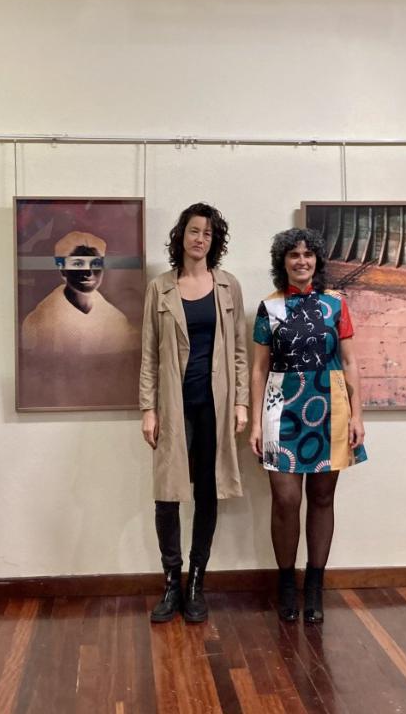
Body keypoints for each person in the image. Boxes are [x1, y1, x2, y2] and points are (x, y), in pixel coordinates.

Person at [139, 204, 249, 624]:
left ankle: (197, 581)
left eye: (207, 232)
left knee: (207, 490)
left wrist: (240, 402)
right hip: (172, 404)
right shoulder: (160, 289)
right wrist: (149, 409)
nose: (199, 238)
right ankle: (171, 581)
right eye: (192, 231)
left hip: (214, 406)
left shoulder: (227, 287)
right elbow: (149, 354)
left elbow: (239, 350)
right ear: (181, 236)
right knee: (167, 494)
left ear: (213, 240)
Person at [249, 228, 366, 624]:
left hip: (330, 405)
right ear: (282, 262)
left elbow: (350, 362)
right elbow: (258, 368)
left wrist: (358, 415)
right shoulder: (270, 308)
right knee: (285, 500)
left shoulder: (336, 304)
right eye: (293, 255)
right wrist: (253, 423)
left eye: (308, 254)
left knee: (321, 498)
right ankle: (286, 581)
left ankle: (314, 584)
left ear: (317, 260)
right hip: (281, 406)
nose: (302, 261)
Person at [20, 230, 140, 407]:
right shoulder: (38, 321)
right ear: (62, 269)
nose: (88, 273)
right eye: (77, 264)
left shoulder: (117, 321)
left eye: (95, 264)